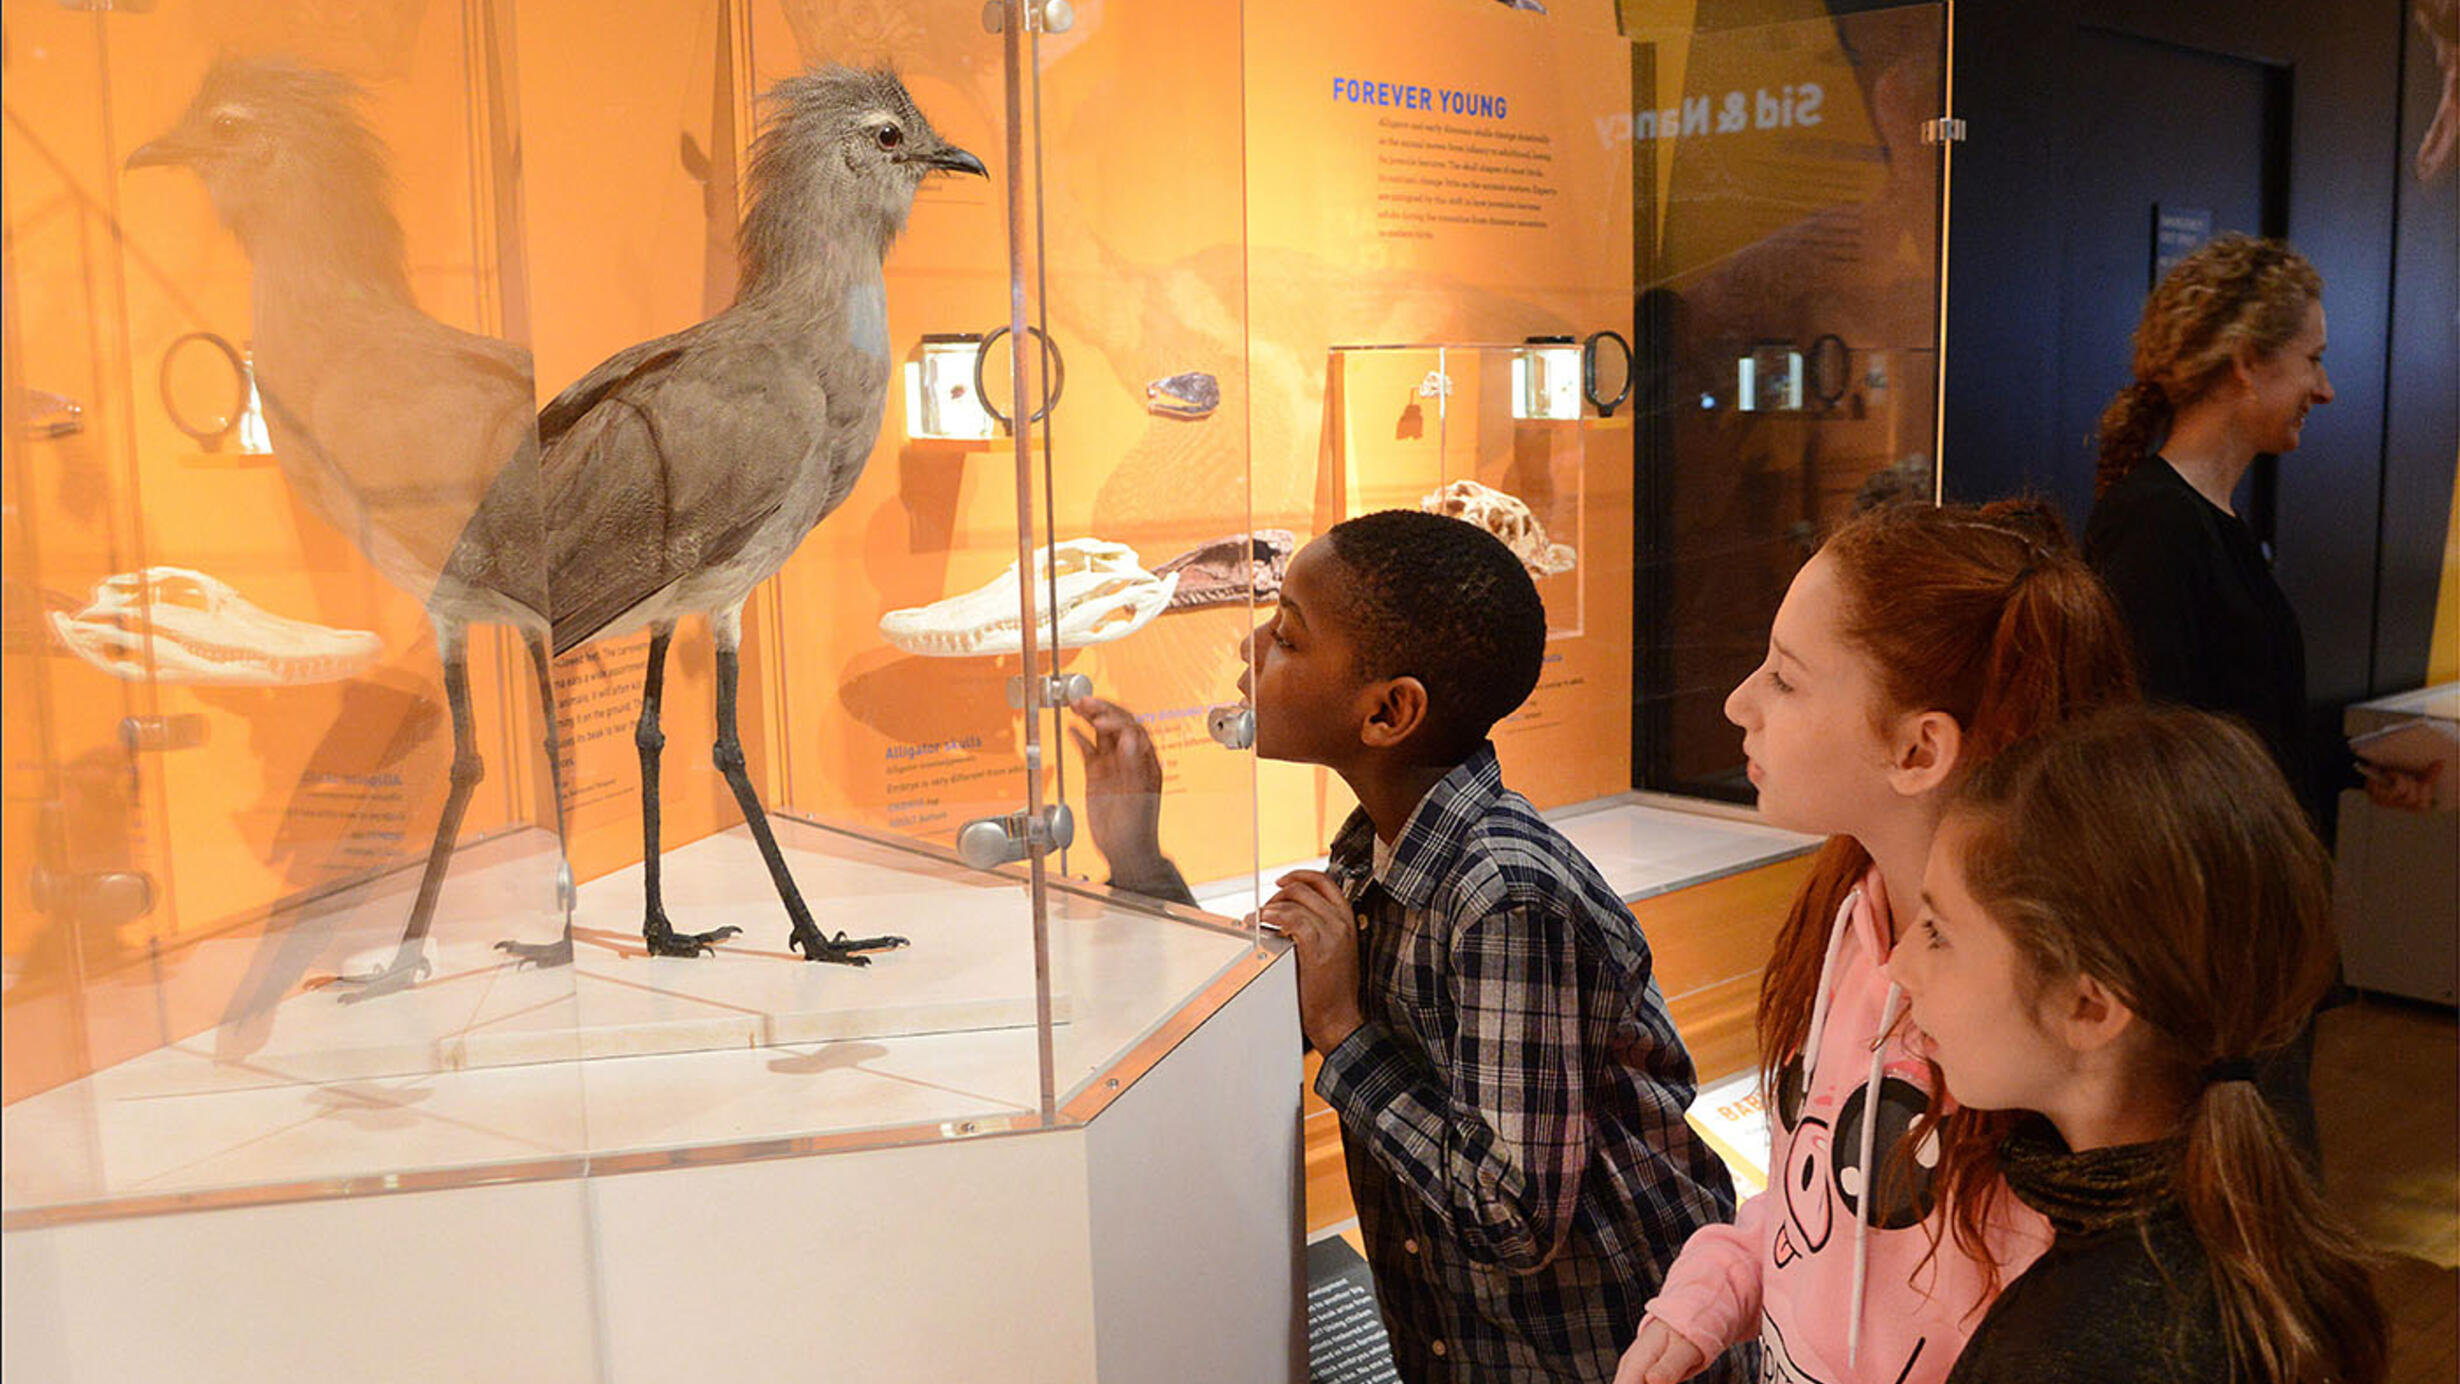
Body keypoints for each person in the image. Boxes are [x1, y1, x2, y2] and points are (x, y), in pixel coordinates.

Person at [1619, 499, 2139, 1384]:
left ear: (1917, 748)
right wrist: (1718, 1285)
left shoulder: (2026, 1012)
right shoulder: (1847, 913)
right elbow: (1817, 1182)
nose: (1740, 702)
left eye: (1786, 677)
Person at [1248, 509, 1740, 1382]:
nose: (1251, 647)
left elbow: (1510, 1214)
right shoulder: (1376, 848)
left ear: (1390, 711)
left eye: (1287, 636)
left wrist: (1341, 1029)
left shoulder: (1503, 896)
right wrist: (1138, 851)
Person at [1889, 705, 2386, 1384]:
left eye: (1939, 932)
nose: (1899, 964)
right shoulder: (2257, 1238)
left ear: (2090, 1006)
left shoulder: (2083, 1349)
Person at [2084, 232, 2332, 818]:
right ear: (2246, 361)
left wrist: (2360, 764)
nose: (2324, 390)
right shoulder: (2152, 523)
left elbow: (2251, 726)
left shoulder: (2210, 521)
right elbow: (2148, 761)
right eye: (2313, 359)